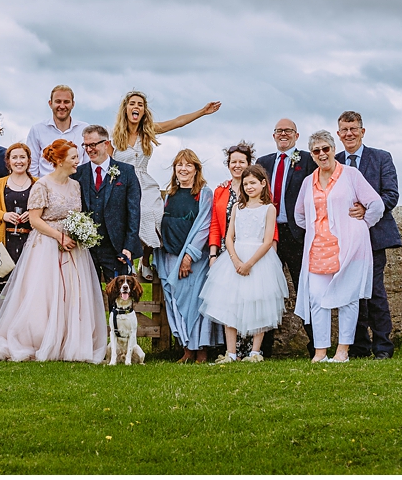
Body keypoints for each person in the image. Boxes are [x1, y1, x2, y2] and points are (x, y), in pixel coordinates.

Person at [0, 139, 107, 363]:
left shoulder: (76, 185)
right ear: (59, 161)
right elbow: (34, 219)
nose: (77, 161)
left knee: (71, 294)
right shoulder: (41, 185)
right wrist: (59, 235)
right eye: (73, 158)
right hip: (46, 246)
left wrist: (79, 233)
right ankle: (39, 339)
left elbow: (75, 215)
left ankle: (67, 341)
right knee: (44, 294)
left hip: (72, 247)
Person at [109, 91, 220, 281]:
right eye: (133, 104)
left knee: (157, 217)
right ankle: (128, 259)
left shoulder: (148, 130)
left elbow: (177, 121)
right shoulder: (113, 134)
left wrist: (202, 111)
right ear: (126, 108)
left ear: (144, 111)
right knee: (129, 217)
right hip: (122, 183)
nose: (136, 107)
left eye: (141, 105)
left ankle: (145, 259)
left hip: (144, 182)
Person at [293, 131, 384, 363]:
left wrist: (361, 223)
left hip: (349, 246)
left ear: (334, 149)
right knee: (316, 297)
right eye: (316, 151)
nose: (322, 154)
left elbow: (376, 204)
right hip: (318, 248)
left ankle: (343, 351)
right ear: (312, 155)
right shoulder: (308, 181)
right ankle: (320, 351)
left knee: (348, 298)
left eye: (326, 149)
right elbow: (299, 216)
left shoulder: (351, 175)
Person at [199, 165, 289, 363]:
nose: (249, 187)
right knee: (230, 303)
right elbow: (229, 237)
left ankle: (255, 352)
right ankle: (231, 352)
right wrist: (236, 260)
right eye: (246, 183)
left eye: (253, 183)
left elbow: (267, 241)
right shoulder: (237, 208)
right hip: (235, 258)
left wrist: (249, 263)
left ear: (263, 184)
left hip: (259, 260)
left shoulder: (269, 208)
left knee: (258, 303)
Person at [336, 111, 402, 360]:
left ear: (362, 132)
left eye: (353, 129)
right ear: (338, 134)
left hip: (374, 238)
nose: (349, 133)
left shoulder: (381, 158)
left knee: (374, 292)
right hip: (345, 240)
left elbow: (391, 195)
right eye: (344, 129)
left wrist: (366, 209)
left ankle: (383, 346)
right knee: (352, 293)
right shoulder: (336, 161)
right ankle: (359, 346)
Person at [255, 118, 318, 356]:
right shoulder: (263, 162)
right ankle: (263, 349)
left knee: (305, 290)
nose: (283, 134)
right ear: (273, 136)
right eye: (279, 131)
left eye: (288, 131)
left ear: (296, 135)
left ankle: (316, 346)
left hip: (296, 234)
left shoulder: (307, 160)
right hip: (269, 236)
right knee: (266, 290)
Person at [158, 149, 222, 364]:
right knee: (175, 302)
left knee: (196, 303)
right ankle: (186, 349)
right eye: (179, 165)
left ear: (196, 170)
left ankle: (201, 351)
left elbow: (204, 225)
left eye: (188, 165)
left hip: (194, 260)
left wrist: (189, 256)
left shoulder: (204, 193)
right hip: (170, 255)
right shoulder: (170, 195)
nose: (183, 169)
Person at [72, 125, 141, 282]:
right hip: (86, 250)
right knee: (87, 297)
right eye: (86, 145)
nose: (89, 149)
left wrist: (128, 246)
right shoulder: (78, 174)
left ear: (106, 144)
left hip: (116, 249)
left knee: (118, 299)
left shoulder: (126, 172)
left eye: (93, 145)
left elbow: (134, 212)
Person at [0, 142, 35, 303]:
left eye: (22, 157)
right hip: (5, 243)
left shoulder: (38, 183)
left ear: (28, 160)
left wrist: (33, 215)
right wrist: (3, 216)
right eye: (14, 157)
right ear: (8, 161)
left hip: (30, 244)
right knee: (3, 293)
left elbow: (46, 213)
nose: (19, 161)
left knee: (28, 289)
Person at [25, 85, 87, 178]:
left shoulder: (84, 129)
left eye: (66, 102)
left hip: (76, 187)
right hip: (45, 187)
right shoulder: (37, 130)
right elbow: (32, 165)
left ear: (73, 104)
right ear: (50, 103)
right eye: (58, 101)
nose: (62, 106)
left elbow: (87, 164)